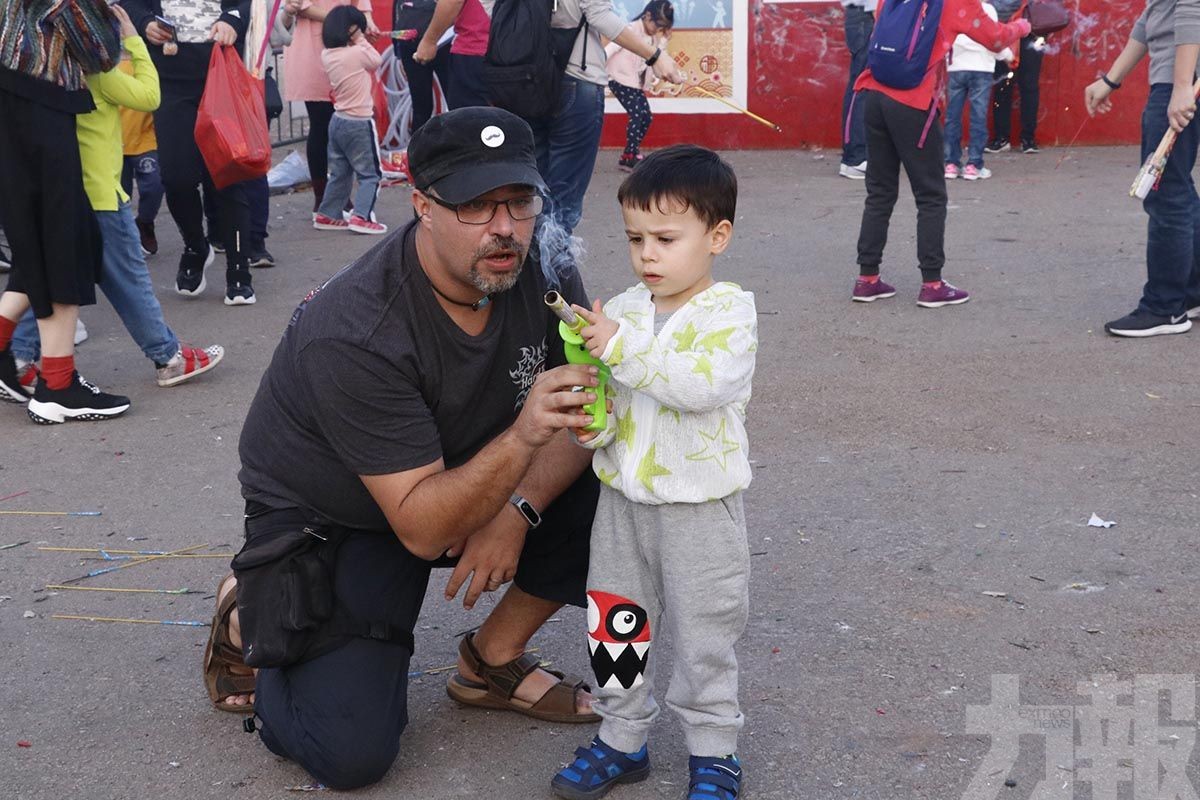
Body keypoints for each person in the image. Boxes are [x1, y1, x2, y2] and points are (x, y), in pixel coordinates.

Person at [204, 107, 606, 790]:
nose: (504, 227)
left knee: (625, 470)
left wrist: (516, 511)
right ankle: (251, 615)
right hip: (337, 516)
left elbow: (587, 407)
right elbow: (422, 528)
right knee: (350, 754)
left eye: (518, 201)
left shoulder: (544, 261)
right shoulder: (360, 328)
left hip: (459, 471)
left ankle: (491, 662)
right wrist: (521, 440)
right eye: (476, 206)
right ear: (422, 204)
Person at [548, 144, 755, 800]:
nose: (647, 255)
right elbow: (618, 401)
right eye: (636, 238)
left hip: (701, 508)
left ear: (716, 236)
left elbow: (699, 386)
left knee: (705, 630)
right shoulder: (628, 311)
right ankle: (621, 737)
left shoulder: (730, 314)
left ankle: (714, 750)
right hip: (623, 506)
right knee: (616, 622)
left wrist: (620, 347)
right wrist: (595, 425)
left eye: (666, 238)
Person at [8, 5, 226, 397]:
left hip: (59, 189)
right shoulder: (98, 74)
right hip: (101, 194)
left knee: (43, 281)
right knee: (130, 281)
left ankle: (21, 357)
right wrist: (133, 39)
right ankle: (168, 356)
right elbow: (150, 95)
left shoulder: (49, 73)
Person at [0, 0, 132, 423]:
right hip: (34, 102)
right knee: (62, 238)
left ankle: (35, 366)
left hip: (18, 100)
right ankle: (57, 386)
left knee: (46, 238)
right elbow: (99, 49)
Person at [850, 0, 1028, 308]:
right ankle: (932, 283)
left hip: (875, 94)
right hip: (914, 102)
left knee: (879, 192)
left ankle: (867, 279)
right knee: (931, 195)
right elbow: (996, 39)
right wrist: (1022, 27)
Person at [480, 0, 683, 235]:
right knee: (563, 202)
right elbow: (599, 16)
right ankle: (551, 266)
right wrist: (655, 56)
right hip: (576, 79)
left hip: (523, 81)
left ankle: (532, 264)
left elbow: (491, 7)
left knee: (533, 190)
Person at [1085, 0, 1200, 337]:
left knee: (1166, 195)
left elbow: (1191, 7)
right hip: (1182, 80)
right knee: (1178, 190)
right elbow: (1153, 15)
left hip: (1182, 83)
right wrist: (1111, 79)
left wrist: (1181, 87)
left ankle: (1164, 307)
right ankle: (1189, 292)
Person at [281, 0, 379, 216]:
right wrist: (347, 24)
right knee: (321, 126)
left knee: (344, 125)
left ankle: (339, 196)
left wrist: (366, 23)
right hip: (313, 49)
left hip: (347, 48)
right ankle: (323, 196)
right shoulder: (343, 23)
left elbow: (361, 4)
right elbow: (300, 6)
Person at [312, 6, 387, 235]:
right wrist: (361, 39)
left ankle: (328, 213)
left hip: (338, 121)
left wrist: (357, 39)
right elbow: (375, 60)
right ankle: (362, 216)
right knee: (371, 174)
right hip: (359, 122)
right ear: (351, 31)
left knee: (340, 172)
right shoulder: (356, 53)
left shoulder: (327, 55)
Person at [944, 1, 1013, 181]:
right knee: (978, 116)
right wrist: (1008, 56)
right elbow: (994, 40)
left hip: (956, 67)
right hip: (981, 67)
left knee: (952, 116)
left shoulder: (951, 7)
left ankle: (951, 163)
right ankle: (974, 164)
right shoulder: (987, 10)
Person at [605, 1, 673, 171]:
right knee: (637, 115)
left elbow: (655, 58)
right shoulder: (631, 29)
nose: (657, 30)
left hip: (633, 83)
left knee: (646, 117)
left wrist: (663, 39)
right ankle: (629, 156)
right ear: (647, 16)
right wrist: (598, 65)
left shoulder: (651, 38)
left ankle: (631, 153)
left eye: (661, 28)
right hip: (618, 78)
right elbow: (612, 47)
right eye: (657, 25)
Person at [118, 51, 165, 256]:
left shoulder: (142, 49)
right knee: (120, 197)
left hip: (145, 137)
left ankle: (145, 222)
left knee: (154, 184)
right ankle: (125, 239)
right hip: (113, 139)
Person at [986, 0, 1044, 155]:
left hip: (1030, 28)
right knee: (1003, 85)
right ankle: (1013, 138)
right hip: (1006, 29)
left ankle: (1025, 138)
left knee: (1025, 84)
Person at [413, 0, 492, 109]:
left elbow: (452, 2)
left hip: (474, 49)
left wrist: (429, 41)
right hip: (514, 51)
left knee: (470, 120)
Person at [395, 0, 453, 134]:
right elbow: (398, 13)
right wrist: (398, 53)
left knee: (454, 102)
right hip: (413, 43)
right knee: (422, 106)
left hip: (444, 41)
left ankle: (459, 146)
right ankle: (419, 150)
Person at [839, 0, 876, 180]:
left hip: (861, 16)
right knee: (862, 87)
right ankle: (857, 157)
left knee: (858, 86)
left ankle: (853, 157)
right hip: (866, 16)